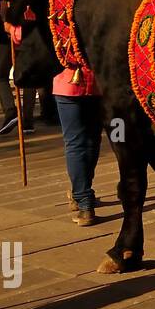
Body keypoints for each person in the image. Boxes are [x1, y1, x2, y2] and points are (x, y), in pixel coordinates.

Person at [54, 66, 103, 225]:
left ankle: (84, 200)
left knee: (75, 143)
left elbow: (21, 39)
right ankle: (81, 192)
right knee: (91, 141)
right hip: (98, 83)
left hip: (68, 85)